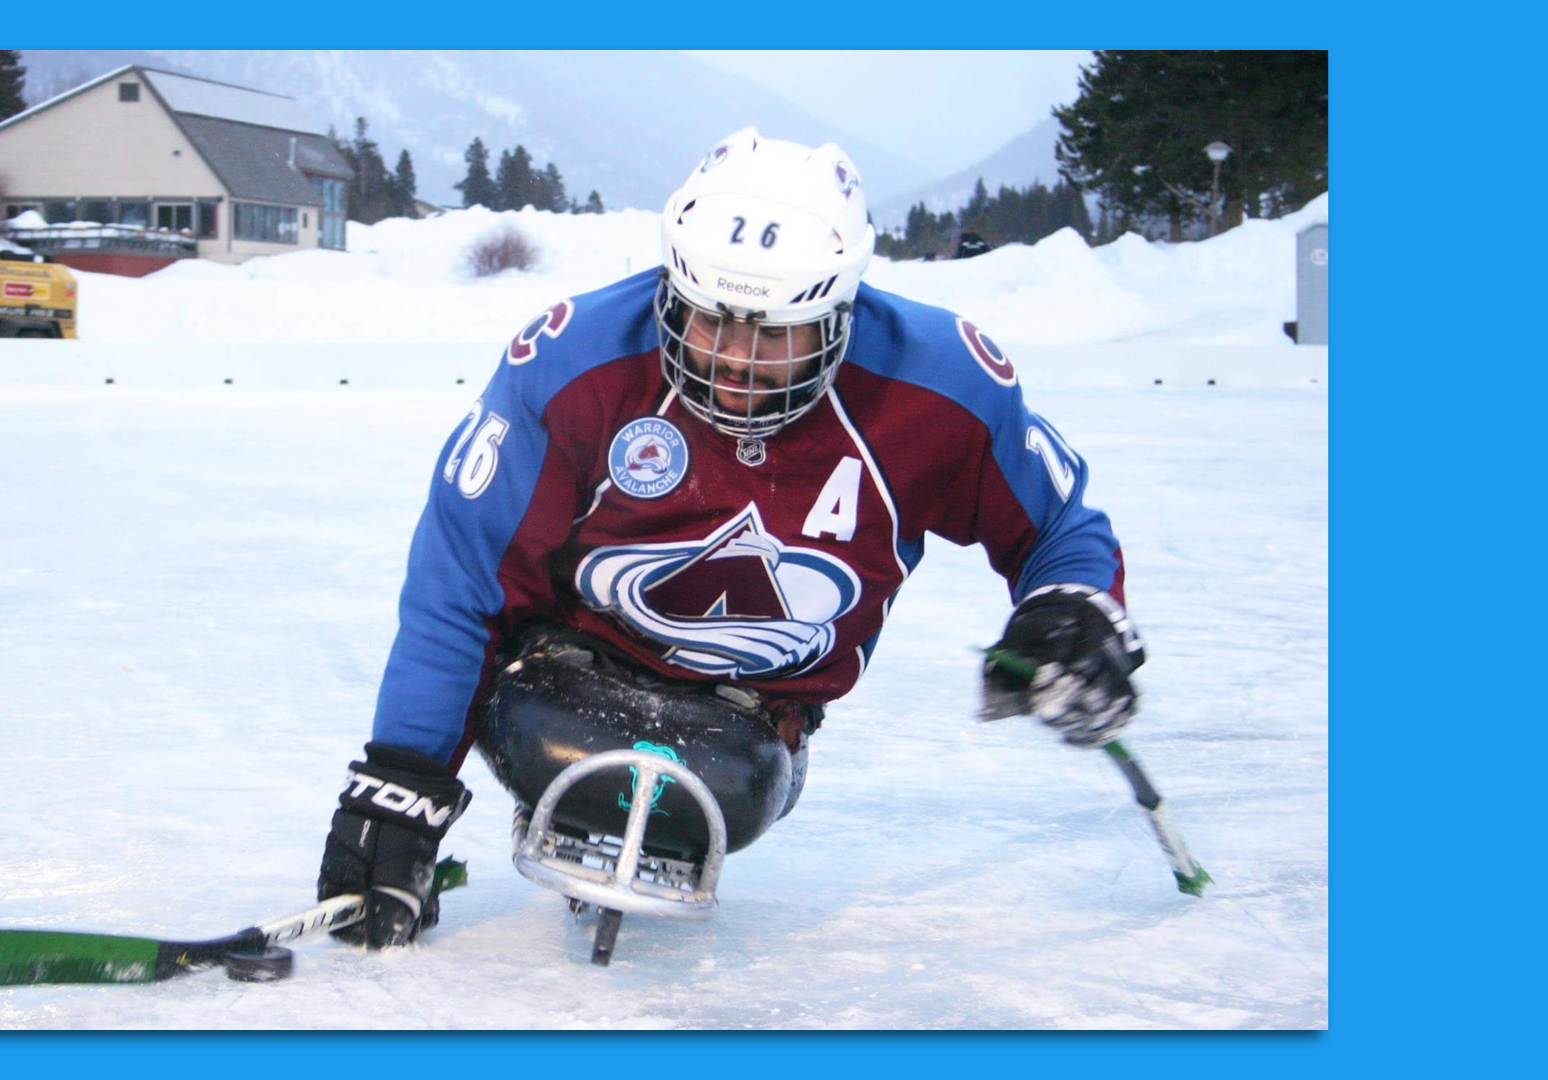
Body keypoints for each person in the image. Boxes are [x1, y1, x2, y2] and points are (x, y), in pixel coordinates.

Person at [316, 127, 1145, 949]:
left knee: (727, 786)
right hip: (566, 677)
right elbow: (464, 580)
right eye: (711, 319)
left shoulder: (942, 386)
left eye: (775, 331)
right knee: (545, 722)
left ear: (840, 313)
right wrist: (401, 784)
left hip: (747, 726)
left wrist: (1068, 612)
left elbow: (1060, 526)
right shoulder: (574, 363)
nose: (734, 361)